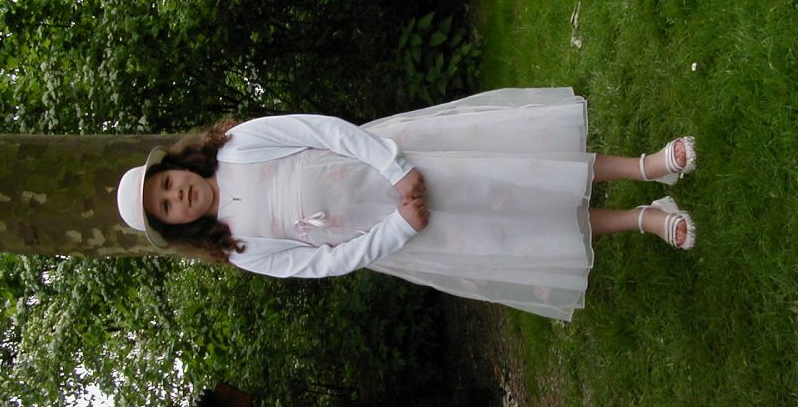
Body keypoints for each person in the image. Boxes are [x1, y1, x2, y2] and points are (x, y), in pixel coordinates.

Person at [117, 88, 696, 321]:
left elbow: (322, 130)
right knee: (514, 227)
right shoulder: (242, 248)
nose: (177, 196)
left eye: (166, 185)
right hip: (407, 229)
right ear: (178, 225)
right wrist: (398, 226)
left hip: (396, 164)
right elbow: (322, 262)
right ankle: (641, 218)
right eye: (167, 208)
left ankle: (646, 166)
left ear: (176, 167)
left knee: (519, 171)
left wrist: (395, 170)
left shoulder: (236, 146)